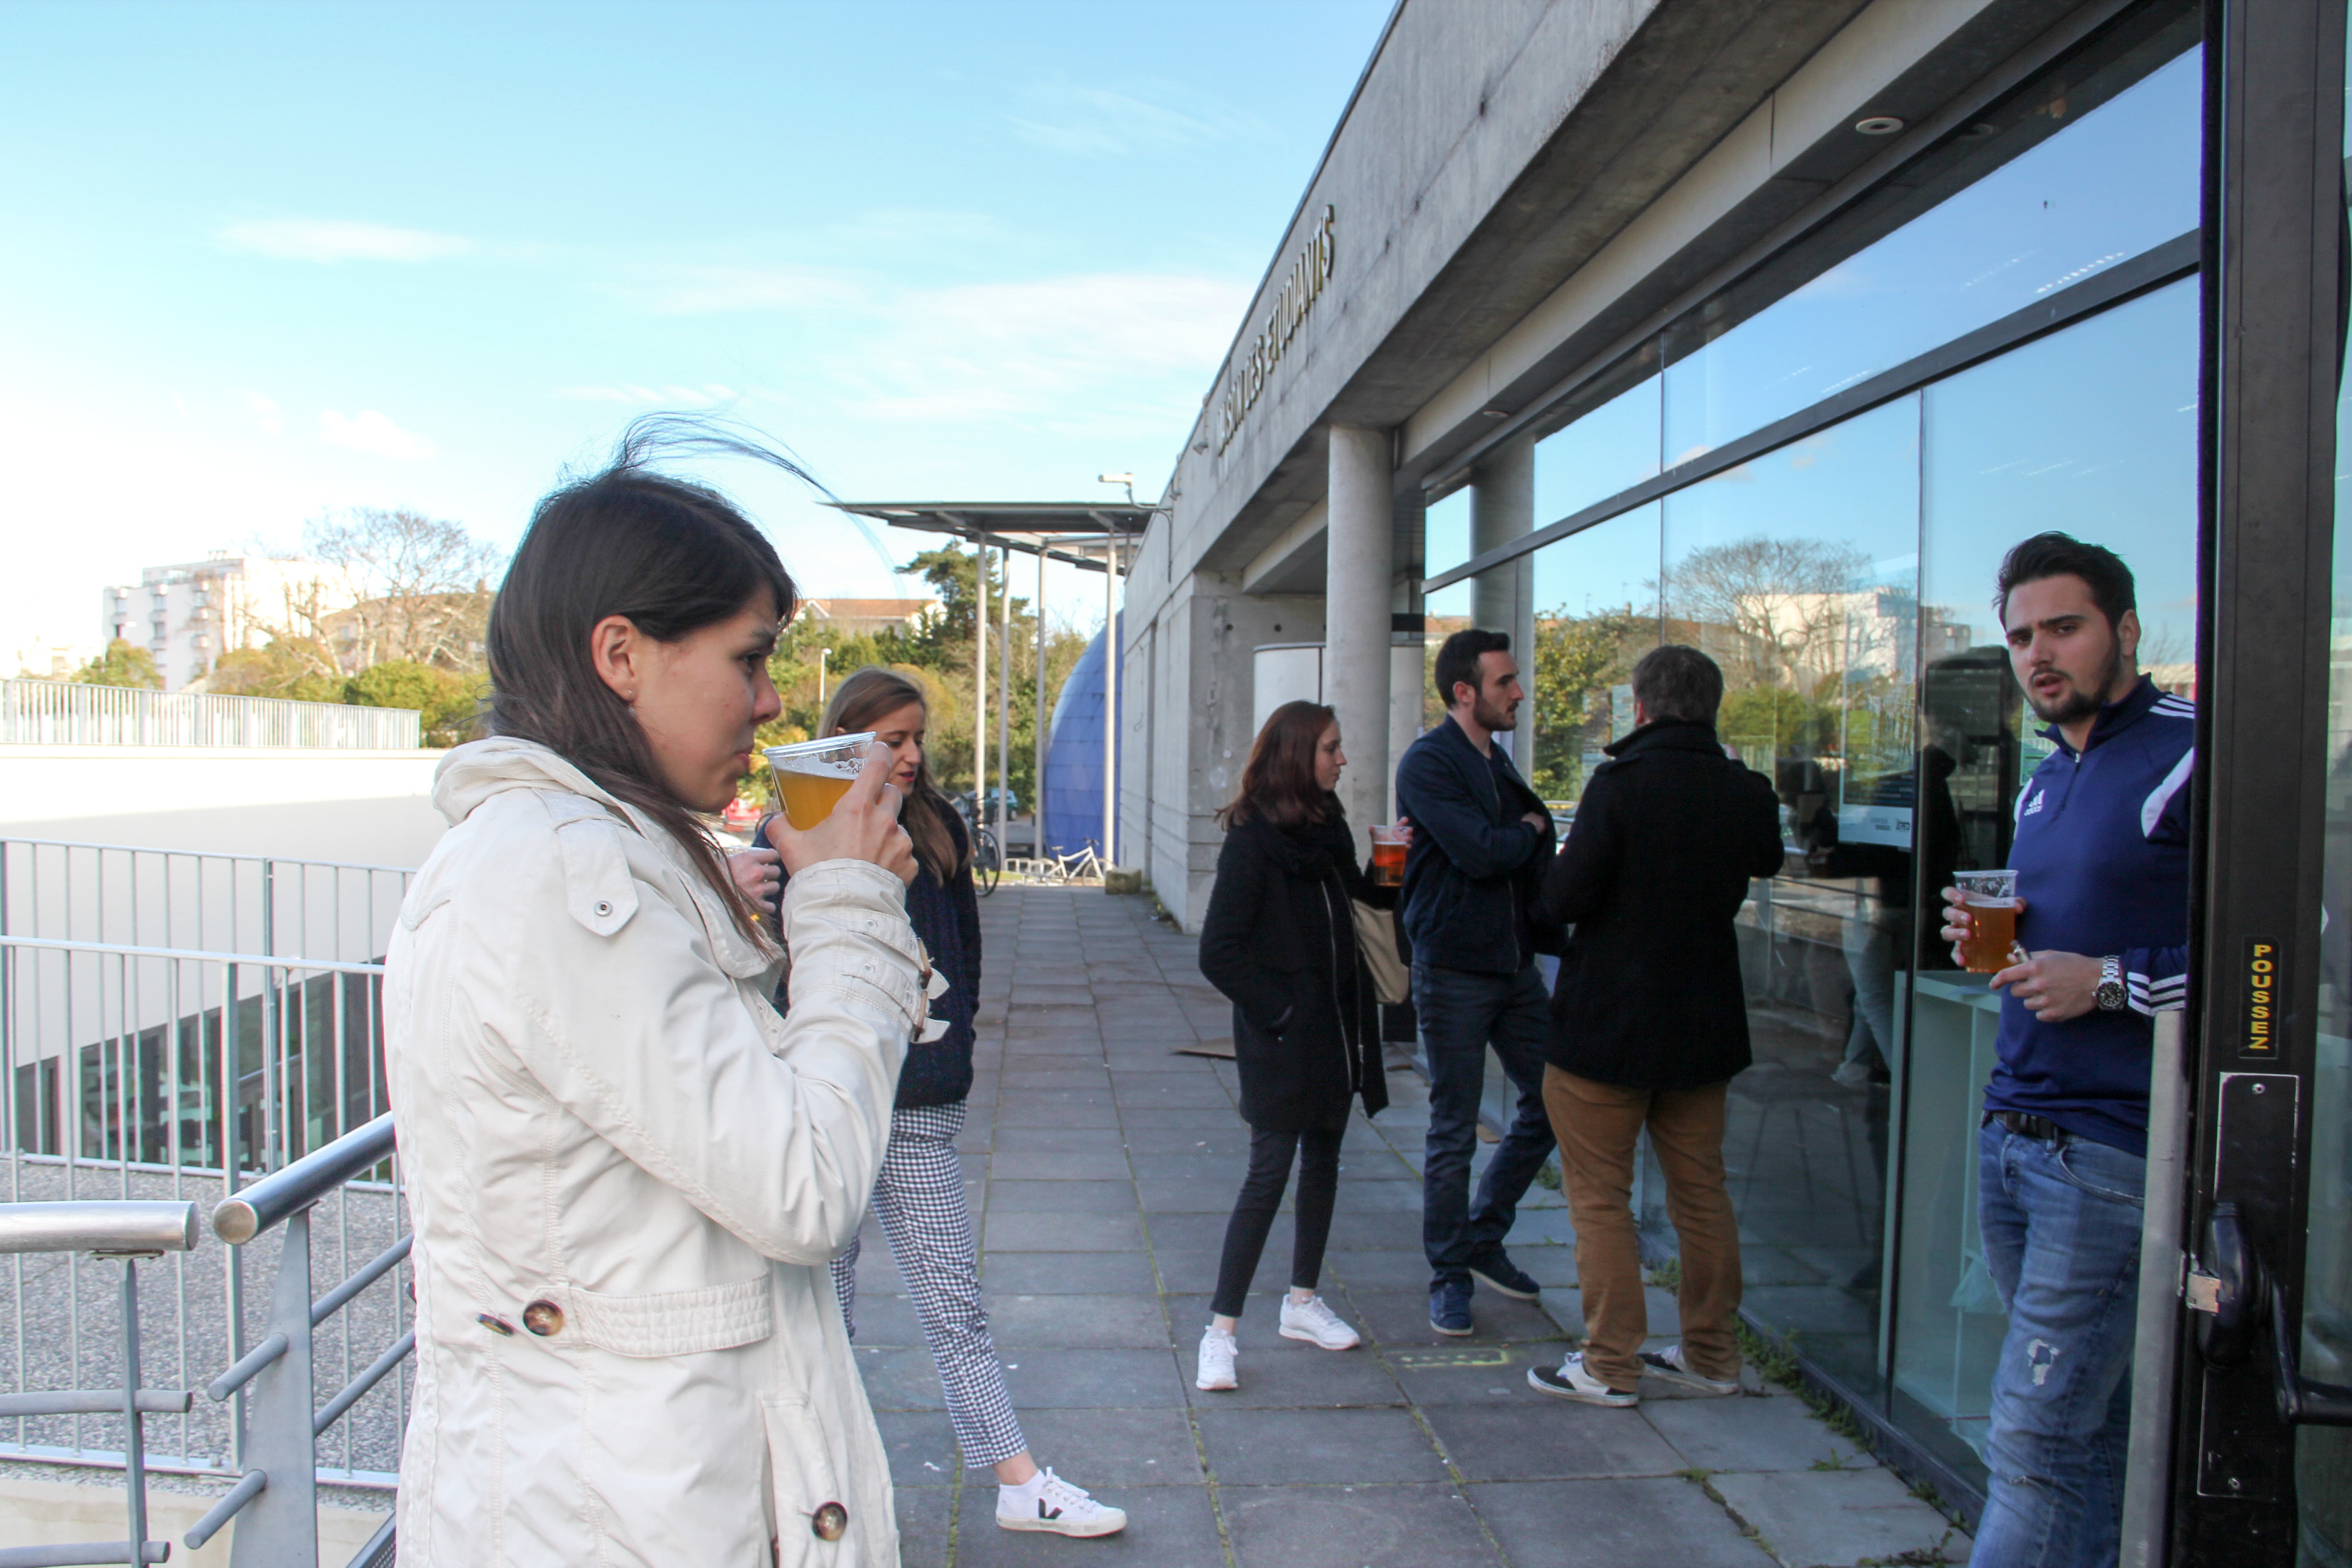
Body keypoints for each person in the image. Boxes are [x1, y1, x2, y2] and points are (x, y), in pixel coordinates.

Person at [384, 435, 929, 1566]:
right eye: (749, 657)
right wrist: (846, 901)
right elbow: (804, 1184)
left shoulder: (567, 850)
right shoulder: (563, 870)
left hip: (615, 1497)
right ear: (621, 654)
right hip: (631, 1511)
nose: (768, 700)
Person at [737, 666, 1125, 1539]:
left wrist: (957, 1043)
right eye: (892, 739)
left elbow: (966, 954)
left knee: (954, 1301)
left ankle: (1018, 1483)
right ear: (849, 742)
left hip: (917, 1105)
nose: (910, 754)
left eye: (917, 737)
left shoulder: (938, 826)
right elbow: (775, 963)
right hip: (824, 1097)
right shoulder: (795, 827)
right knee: (824, 1311)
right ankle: (811, 1491)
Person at [1940, 533, 2190, 1568]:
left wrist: (2114, 980)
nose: (2036, 654)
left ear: (2125, 629)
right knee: (2086, 1434)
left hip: (2109, 1150)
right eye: (2019, 637)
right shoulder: (2046, 774)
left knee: (2033, 1440)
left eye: (2062, 627)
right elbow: (2056, 932)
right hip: (2015, 1129)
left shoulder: (2192, 752)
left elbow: (2283, 946)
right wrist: (1985, 938)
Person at [1527, 645, 1783, 1406]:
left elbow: (1563, 899)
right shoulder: (1743, 790)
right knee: (1701, 1193)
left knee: (1599, 1198)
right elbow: (1768, 858)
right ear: (1712, 708)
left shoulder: (1619, 785)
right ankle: (1711, 1355)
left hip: (1607, 1026)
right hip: (1703, 1026)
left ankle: (1609, 1363)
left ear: (1639, 707)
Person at [1194, 701, 1394, 1391]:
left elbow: (1360, 901)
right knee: (1268, 1174)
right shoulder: (1252, 840)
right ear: (1297, 755)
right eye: (1331, 748)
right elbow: (1218, 951)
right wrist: (1281, 1010)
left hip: (1337, 1031)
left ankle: (1301, 1302)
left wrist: (1392, 867)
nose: (1343, 759)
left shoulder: (1327, 823)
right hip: (1283, 1040)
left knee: (1324, 1161)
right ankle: (1220, 1332)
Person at [1394, 627, 1561, 1335]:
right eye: (1504, 682)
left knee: (1557, 1100)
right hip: (1454, 968)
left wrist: (1526, 832)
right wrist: (1531, 830)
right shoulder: (1429, 762)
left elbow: (1512, 844)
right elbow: (1482, 852)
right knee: (1454, 1128)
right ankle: (1449, 1275)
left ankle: (1483, 1235)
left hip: (1514, 967)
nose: (1518, 692)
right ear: (1464, 692)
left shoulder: (1498, 761)